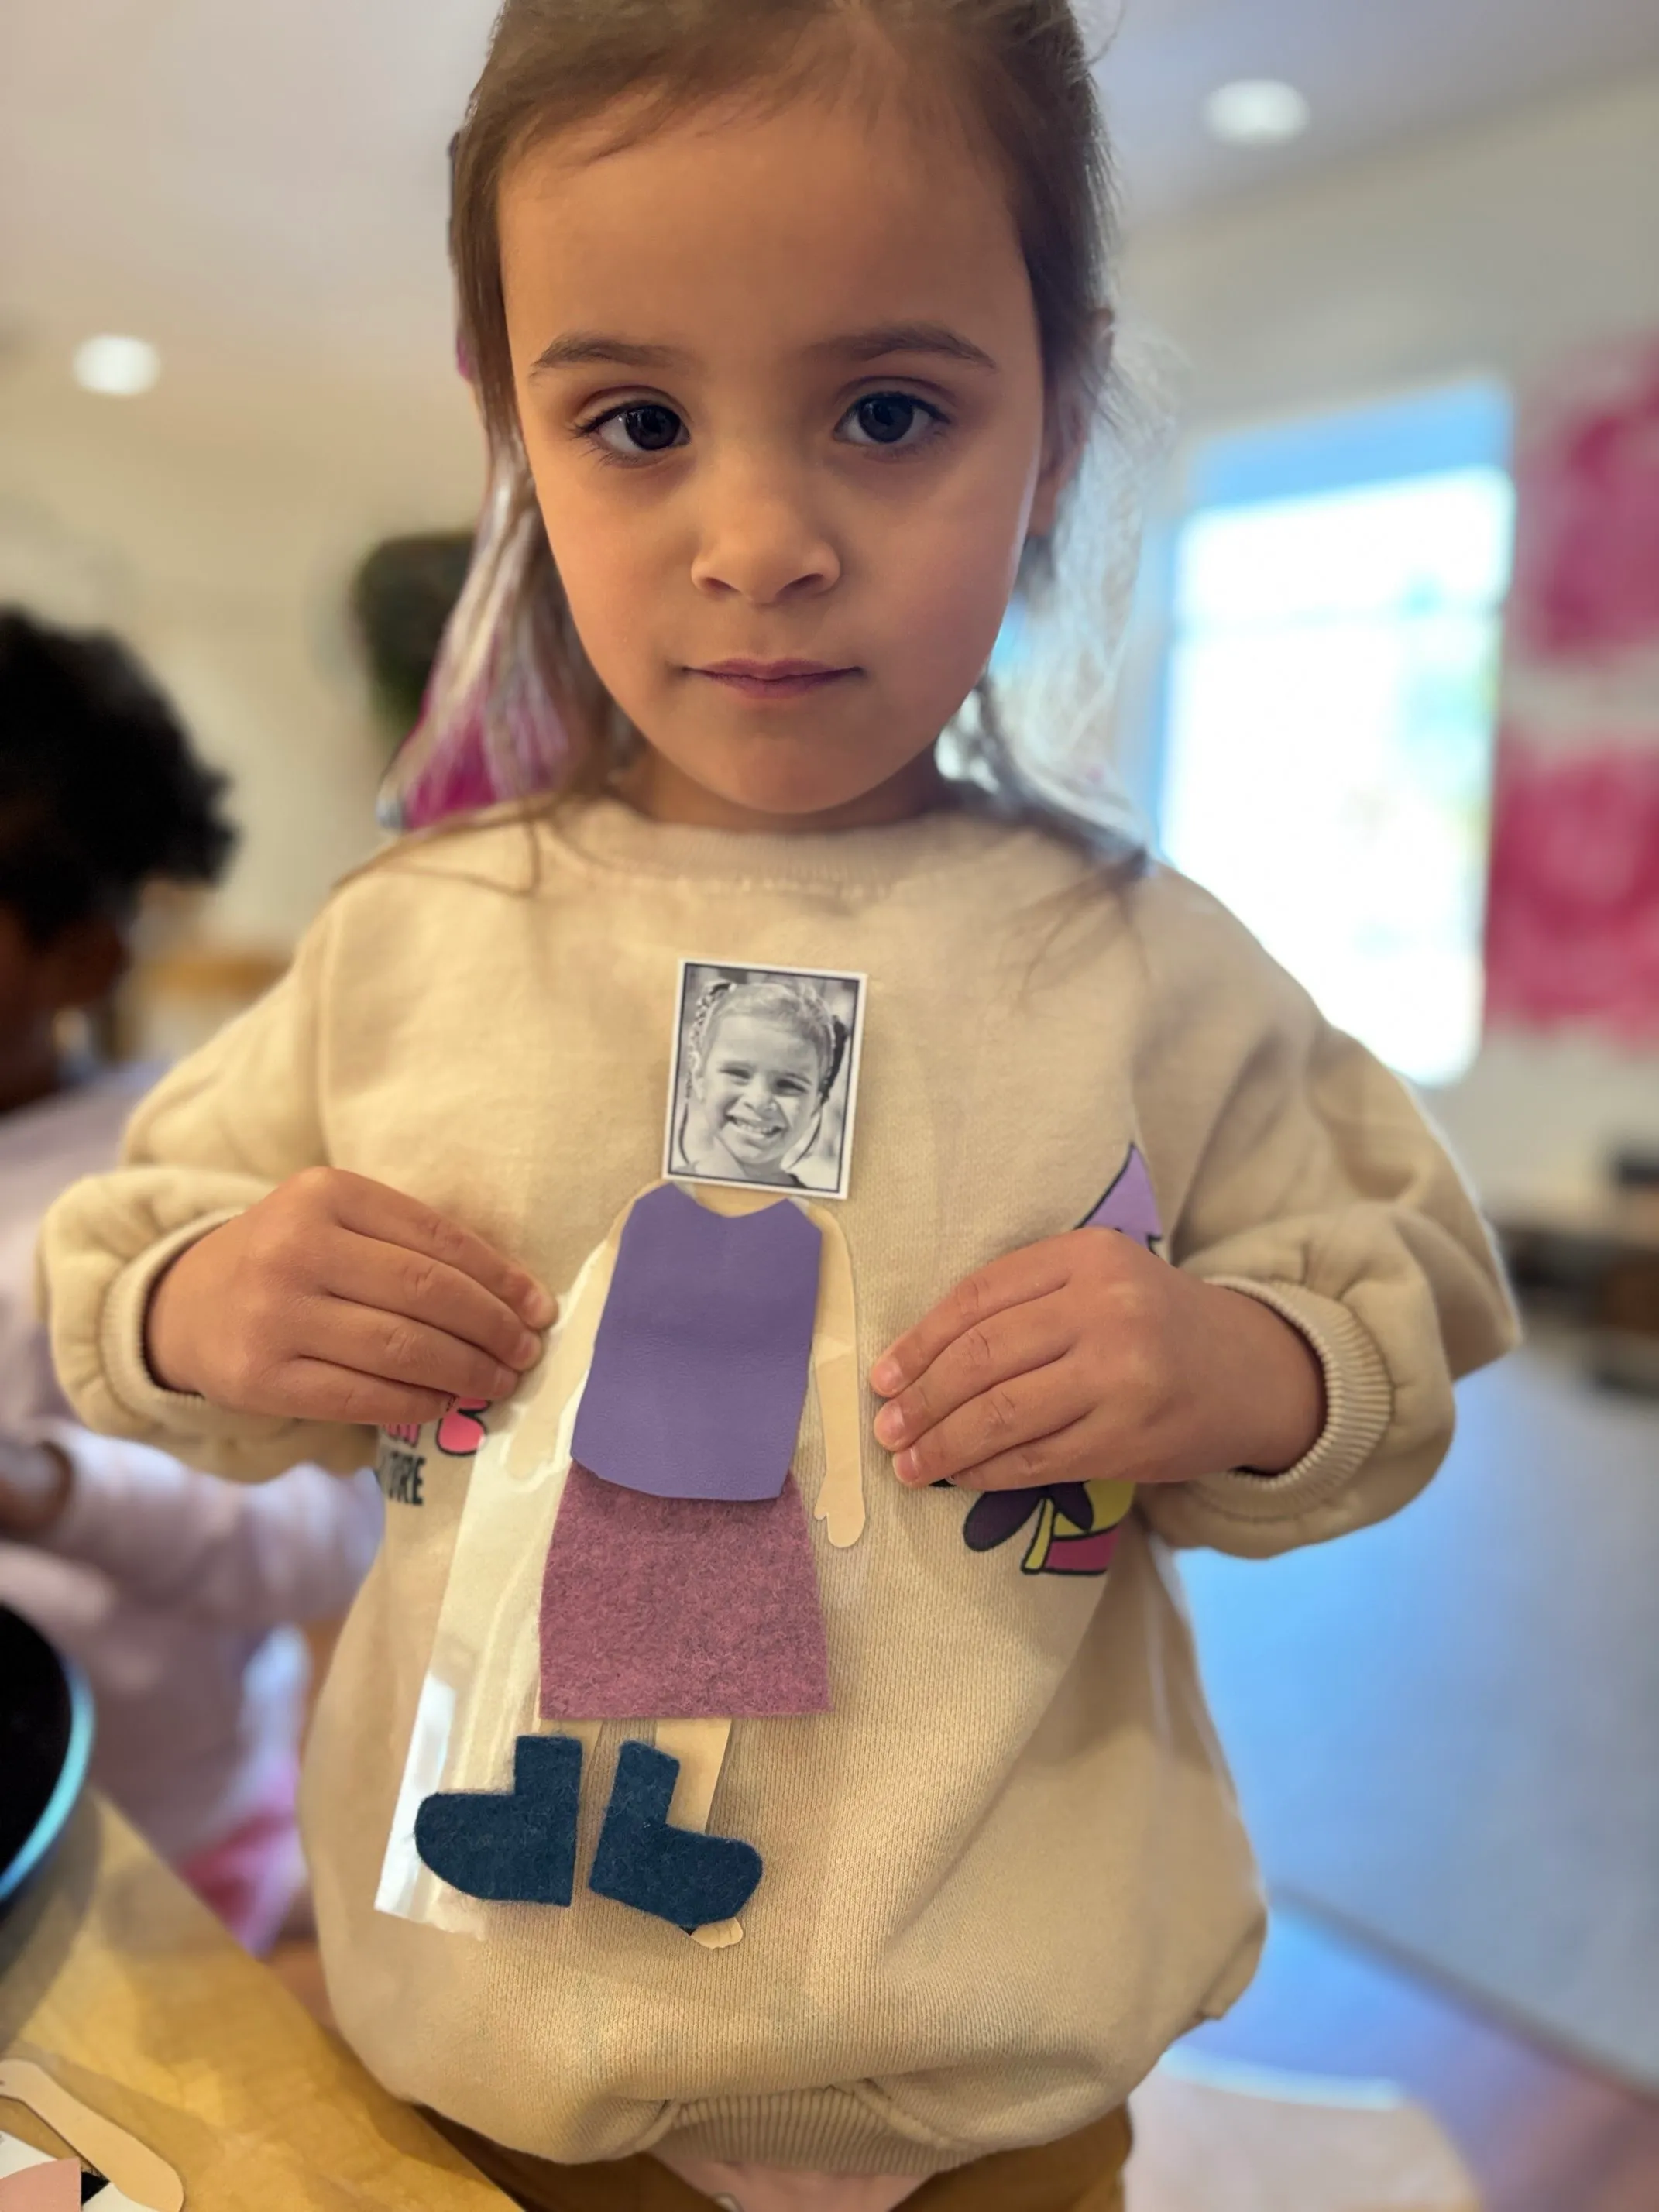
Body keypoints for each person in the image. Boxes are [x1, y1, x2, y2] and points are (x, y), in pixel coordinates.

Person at [36, 6, 1518, 2209]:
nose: (755, 538)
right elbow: (114, 1264)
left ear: (1059, 406)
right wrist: (196, 1312)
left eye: (887, 409)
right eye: (633, 418)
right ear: (508, 424)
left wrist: (1249, 1363)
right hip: (491, 2064)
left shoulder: (1147, 967)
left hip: (1002, 2083)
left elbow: (1401, 1297)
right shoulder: (408, 944)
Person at [0, 606, 382, 1953]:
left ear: (81, 956)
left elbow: (323, 1535)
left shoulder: (170, 1192)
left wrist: (46, 1487)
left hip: (156, 1855)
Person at [672, 975, 848, 1188]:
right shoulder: (658, 1203)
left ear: (816, 1105)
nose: (759, 1101)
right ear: (699, 1077)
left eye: (788, 1085)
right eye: (738, 1073)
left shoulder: (814, 1216)